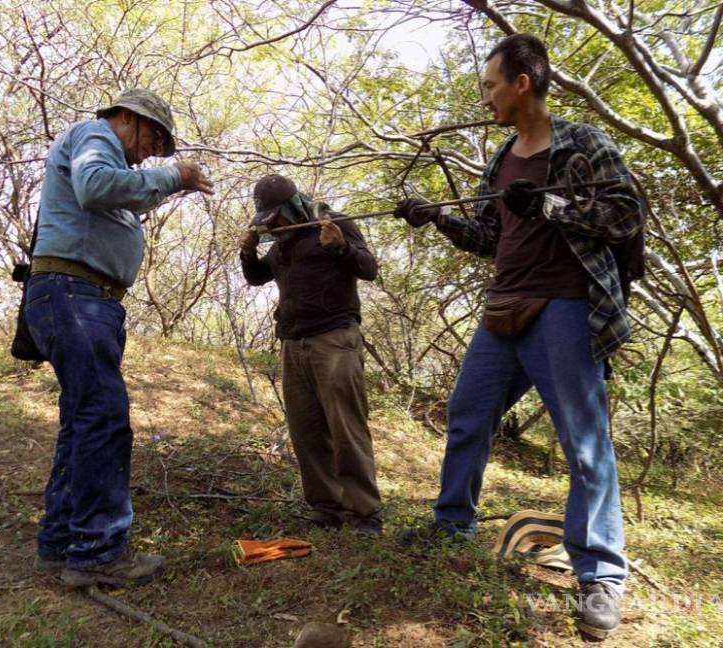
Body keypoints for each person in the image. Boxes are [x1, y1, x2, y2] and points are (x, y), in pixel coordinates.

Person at [393, 34, 643, 639]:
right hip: (503, 310)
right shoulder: (501, 157)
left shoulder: (584, 144)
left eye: (490, 85)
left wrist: (552, 206)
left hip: (566, 308)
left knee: (585, 445)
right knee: (467, 416)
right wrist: (438, 218)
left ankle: (602, 575)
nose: (486, 98)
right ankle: (451, 524)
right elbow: (488, 235)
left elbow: (627, 215)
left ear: (522, 83)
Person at [24, 88, 214, 587]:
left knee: (84, 421)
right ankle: (98, 551)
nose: (153, 149)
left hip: (83, 298)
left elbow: (120, 194)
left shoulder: (115, 156)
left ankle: (60, 542)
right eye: (153, 136)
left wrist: (168, 184)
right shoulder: (95, 136)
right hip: (75, 293)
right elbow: (93, 184)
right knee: (104, 419)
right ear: (126, 119)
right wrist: (176, 175)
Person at [239, 174, 383, 535]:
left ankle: (364, 513)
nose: (274, 226)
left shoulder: (331, 223)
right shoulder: (281, 243)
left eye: (277, 218)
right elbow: (259, 277)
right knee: (306, 430)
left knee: (346, 428)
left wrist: (340, 248)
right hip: (293, 343)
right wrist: (247, 253)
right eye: (267, 221)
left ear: (293, 207)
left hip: (335, 339)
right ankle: (325, 508)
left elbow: (369, 268)